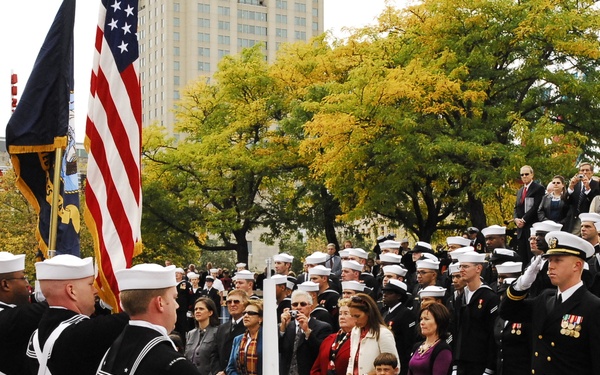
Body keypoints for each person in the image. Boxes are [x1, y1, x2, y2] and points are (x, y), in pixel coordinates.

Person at [500, 231, 600, 375]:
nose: (550, 266)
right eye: (549, 260)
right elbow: (507, 312)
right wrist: (521, 285)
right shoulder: (546, 298)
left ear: (577, 265)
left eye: (558, 260)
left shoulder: (593, 306)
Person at [26, 255, 129, 375]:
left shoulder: (37, 334)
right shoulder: (83, 332)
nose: (95, 290)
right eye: (90, 284)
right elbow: (139, 316)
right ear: (71, 291)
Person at [96, 263, 199, 374]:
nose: (177, 305)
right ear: (160, 303)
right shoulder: (173, 365)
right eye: (174, 298)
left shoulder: (112, 351)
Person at [0, 252, 47, 375]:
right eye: (23, 278)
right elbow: (57, 305)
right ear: (5, 284)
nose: (27, 284)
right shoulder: (11, 318)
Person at [452, 251, 499, 375]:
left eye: (466, 266)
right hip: (461, 363)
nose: (462, 270)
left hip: (480, 363)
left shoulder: (489, 297)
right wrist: (455, 365)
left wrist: (489, 368)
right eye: (460, 266)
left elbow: (492, 335)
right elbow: (457, 331)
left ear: (478, 268)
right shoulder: (460, 297)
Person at [279, 289, 334, 375]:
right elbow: (278, 349)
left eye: (303, 304)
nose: (298, 307)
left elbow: (321, 352)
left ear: (311, 307)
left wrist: (307, 331)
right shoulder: (287, 326)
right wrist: (282, 327)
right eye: (295, 304)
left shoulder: (323, 327)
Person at [346, 293, 399, 375]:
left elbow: (393, 366)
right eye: (352, 316)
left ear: (369, 313)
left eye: (357, 316)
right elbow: (352, 359)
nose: (354, 320)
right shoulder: (355, 331)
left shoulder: (383, 333)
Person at [311, 298, 356, 375]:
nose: (341, 317)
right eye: (340, 313)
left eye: (346, 313)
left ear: (356, 317)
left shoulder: (359, 340)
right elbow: (316, 369)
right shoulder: (329, 339)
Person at [381, 279, 417, 375]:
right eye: (384, 292)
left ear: (399, 296)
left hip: (400, 360)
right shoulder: (385, 313)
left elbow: (408, 342)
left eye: (390, 293)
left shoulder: (406, 314)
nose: (385, 295)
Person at [407, 303, 452, 375]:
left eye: (426, 319)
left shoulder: (443, 349)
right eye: (421, 319)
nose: (421, 323)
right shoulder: (417, 346)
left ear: (439, 322)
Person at [513, 165, 545, 263]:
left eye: (526, 174)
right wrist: (516, 219)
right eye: (522, 175)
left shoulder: (538, 188)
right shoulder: (520, 191)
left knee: (532, 256)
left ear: (532, 175)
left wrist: (524, 219)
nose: (524, 176)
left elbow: (536, 207)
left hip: (531, 226)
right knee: (522, 257)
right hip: (520, 230)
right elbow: (516, 208)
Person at [215, 290, 249, 375]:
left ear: (245, 305)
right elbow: (214, 353)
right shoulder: (222, 328)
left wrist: (226, 372)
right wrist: (217, 371)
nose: (232, 304)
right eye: (229, 302)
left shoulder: (249, 327)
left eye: (236, 301)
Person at [226, 300, 264, 375]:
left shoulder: (266, 338)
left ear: (260, 319)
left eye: (251, 313)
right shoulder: (238, 339)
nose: (246, 315)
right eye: (244, 313)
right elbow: (230, 367)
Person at [185, 297, 220, 374]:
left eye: (201, 309)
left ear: (210, 312)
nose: (197, 311)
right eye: (196, 309)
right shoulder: (191, 334)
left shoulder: (218, 332)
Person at [565, 161, 600, 234]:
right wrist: (570, 187)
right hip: (574, 219)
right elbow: (566, 202)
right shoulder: (575, 184)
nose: (584, 172)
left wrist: (588, 189)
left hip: (589, 219)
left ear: (592, 172)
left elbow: (596, 202)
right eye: (582, 170)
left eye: (587, 170)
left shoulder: (597, 185)